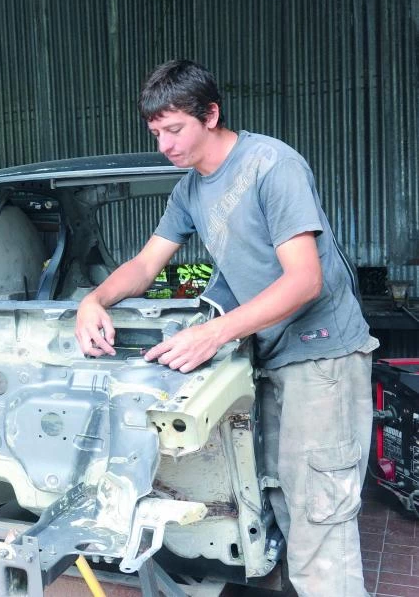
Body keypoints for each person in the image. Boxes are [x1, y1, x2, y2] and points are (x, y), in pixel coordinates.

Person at [75, 60, 376, 597]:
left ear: (210, 114)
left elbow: (305, 280)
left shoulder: (270, 165)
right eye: (155, 132)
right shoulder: (191, 190)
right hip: (275, 356)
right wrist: (93, 300)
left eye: (174, 129)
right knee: (282, 499)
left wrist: (213, 333)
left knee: (320, 520)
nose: (164, 144)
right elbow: (144, 267)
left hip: (323, 356)